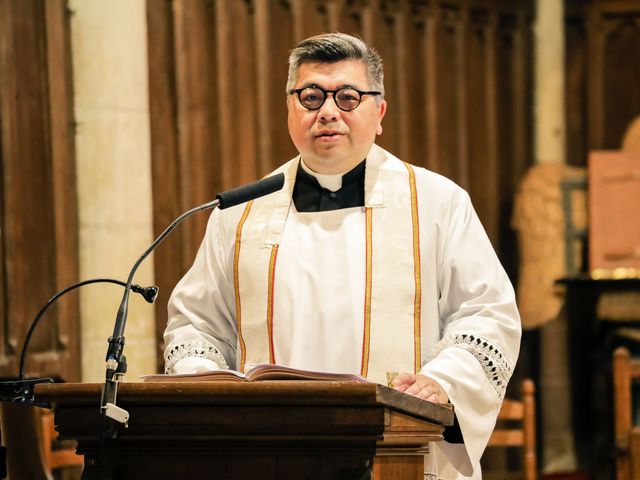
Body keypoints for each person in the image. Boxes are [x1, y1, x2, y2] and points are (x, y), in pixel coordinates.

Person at [163, 32, 521, 479]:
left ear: (380, 113)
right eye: (311, 96)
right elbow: (197, 323)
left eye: (348, 97)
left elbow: (487, 313)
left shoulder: (436, 201)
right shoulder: (239, 213)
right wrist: (206, 382)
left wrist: (444, 381)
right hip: (269, 454)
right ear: (289, 109)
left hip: (399, 453)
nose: (328, 112)